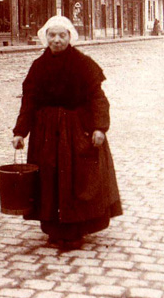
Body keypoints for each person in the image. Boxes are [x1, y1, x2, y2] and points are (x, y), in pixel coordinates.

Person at [12, 16, 122, 248]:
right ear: (46, 38)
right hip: (46, 134)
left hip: (76, 130)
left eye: (62, 35)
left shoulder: (83, 64)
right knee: (49, 179)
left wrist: (99, 127)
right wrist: (20, 131)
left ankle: (75, 230)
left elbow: (98, 99)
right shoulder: (38, 67)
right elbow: (29, 102)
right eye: (52, 35)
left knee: (78, 179)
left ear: (70, 37)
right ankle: (53, 227)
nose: (57, 40)